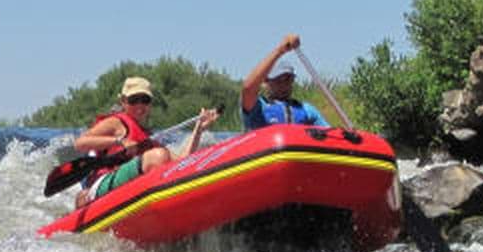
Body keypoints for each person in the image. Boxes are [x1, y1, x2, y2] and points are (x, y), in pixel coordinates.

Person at [73, 76, 219, 208]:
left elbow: (181, 161)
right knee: (158, 156)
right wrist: (120, 141)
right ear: (123, 102)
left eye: (145, 100)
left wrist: (198, 129)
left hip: (126, 187)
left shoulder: (148, 139)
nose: (140, 106)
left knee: (162, 157)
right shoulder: (116, 123)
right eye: (134, 100)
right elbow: (80, 143)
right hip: (103, 183)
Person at [240, 34, 329, 131]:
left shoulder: (307, 110)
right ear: (266, 82)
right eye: (278, 80)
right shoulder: (257, 106)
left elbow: (329, 133)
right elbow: (248, 89)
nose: (283, 85)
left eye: (287, 79)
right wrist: (280, 50)